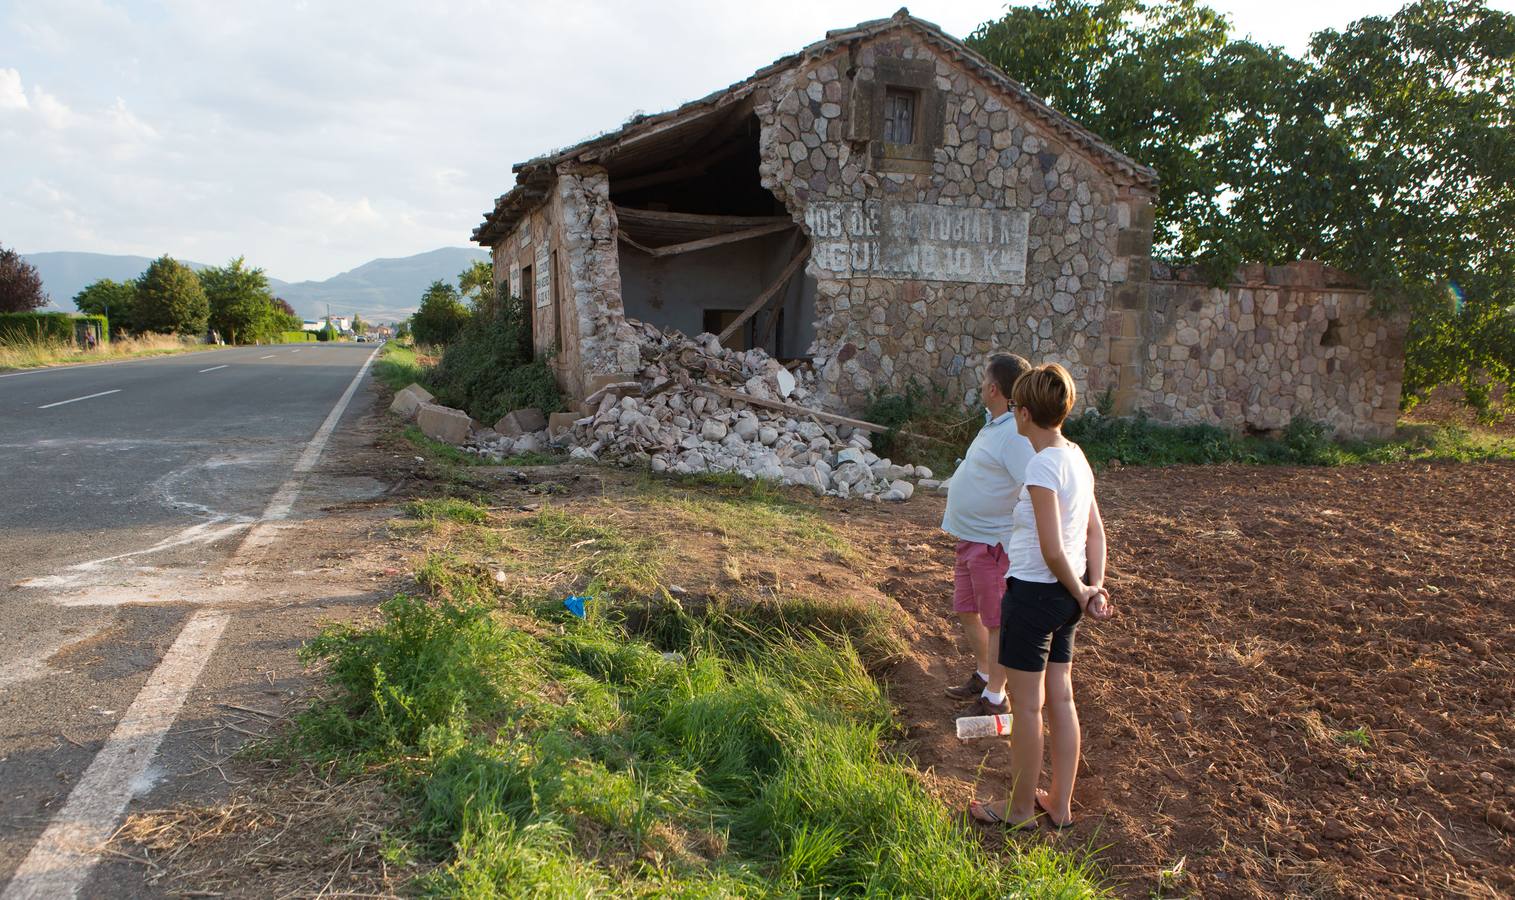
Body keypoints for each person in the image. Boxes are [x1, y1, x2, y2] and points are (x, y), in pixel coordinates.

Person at [969, 363, 1112, 831]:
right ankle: (1061, 805)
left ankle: (1019, 810)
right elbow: (1095, 532)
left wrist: (1081, 588)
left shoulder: (1043, 464)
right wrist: (1092, 588)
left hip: (1034, 595)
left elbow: (1051, 549)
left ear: (1024, 413)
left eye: (1014, 410)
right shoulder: (1076, 455)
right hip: (1066, 602)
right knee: (1062, 700)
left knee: (1028, 709)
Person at [941, 352, 1035, 718]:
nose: (980, 385)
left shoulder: (1014, 435)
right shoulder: (995, 424)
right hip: (970, 539)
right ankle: (984, 673)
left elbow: (1032, 489)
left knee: (996, 621)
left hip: (992, 545)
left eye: (983, 380)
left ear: (994, 389)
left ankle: (997, 696)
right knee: (967, 611)